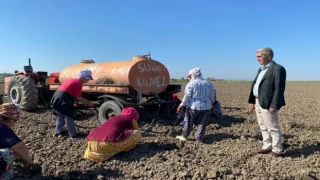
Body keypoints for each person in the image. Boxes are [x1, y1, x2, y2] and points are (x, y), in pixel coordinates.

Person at [248, 47, 286, 157]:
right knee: (262, 125)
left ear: (269, 56)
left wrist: (274, 104)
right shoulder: (261, 69)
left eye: (259, 56)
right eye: (256, 56)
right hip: (258, 101)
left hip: (268, 103)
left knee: (272, 126)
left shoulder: (278, 69)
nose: (257, 58)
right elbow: (256, 86)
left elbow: (279, 89)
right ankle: (267, 145)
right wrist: (252, 101)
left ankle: (277, 149)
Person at [50, 69, 95, 139]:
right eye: (88, 78)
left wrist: (74, 102)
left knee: (61, 115)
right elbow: (78, 97)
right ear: (83, 77)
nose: (88, 80)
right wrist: (88, 103)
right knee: (69, 116)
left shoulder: (72, 80)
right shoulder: (79, 83)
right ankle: (74, 135)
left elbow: (71, 93)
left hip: (57, 96)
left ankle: (58, 131)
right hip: (64, 98)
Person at [176, 67, 215, 142]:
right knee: (202, 124)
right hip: (206, 107)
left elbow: (187, 96)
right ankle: (199, 138)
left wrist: (181, 105)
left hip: (193, 107)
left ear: (194, 75)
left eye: (190, 76)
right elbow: (212, 95)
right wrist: (212, 103)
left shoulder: (191, 84)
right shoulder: (208, 83)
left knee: (188, 122)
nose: (189, 77)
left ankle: (184, 136)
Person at [0, 103, 34, 179]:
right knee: (7, 153)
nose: (15, 124)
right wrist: (29, 161)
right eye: (15, 121)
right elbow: (19, 146)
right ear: (10, 119)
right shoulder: (2, 127)